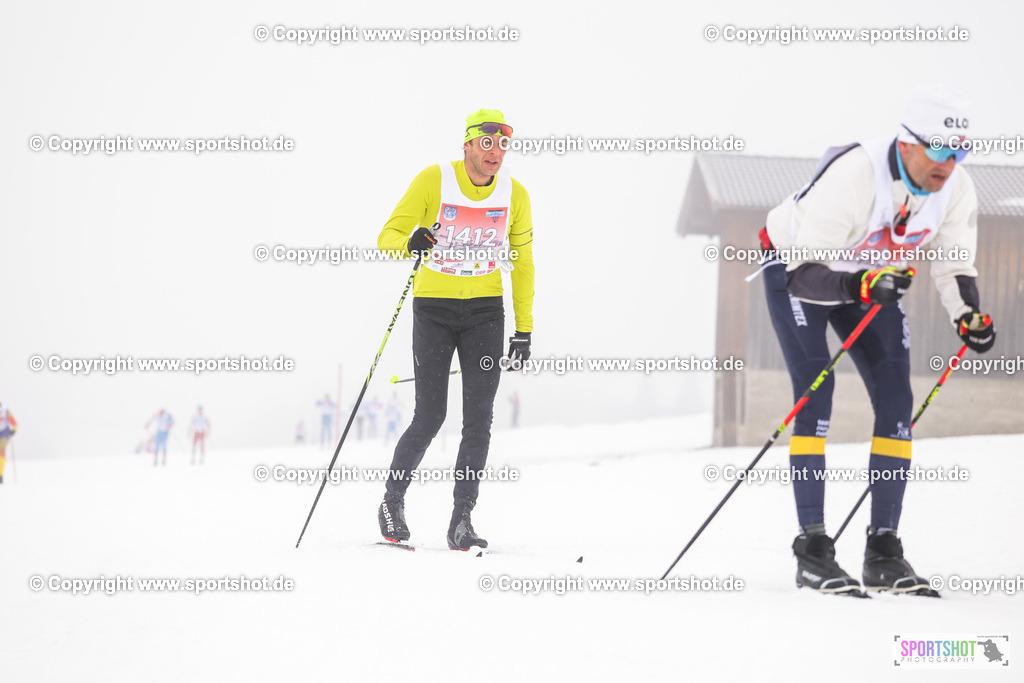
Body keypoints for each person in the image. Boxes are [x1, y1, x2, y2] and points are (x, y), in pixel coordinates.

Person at [761, 85, 995, 596]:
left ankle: (883, 551)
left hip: (867, 276)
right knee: (816, 392)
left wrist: (967, 317)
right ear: (907, 143)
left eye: (960, 151)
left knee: (896, 397)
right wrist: (861, 284)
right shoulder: (855, 177)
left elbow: (955, 263)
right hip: (801, 268)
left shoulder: (956, 188)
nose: (949, 164)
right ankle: (813, 550)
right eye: (938, 149)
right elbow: (803, 274)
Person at [376, 108, 535, 549]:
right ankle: (392, 500)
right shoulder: (434, 180)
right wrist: (410, 241)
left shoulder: (514, 195)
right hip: (434, 311)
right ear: (466, 144)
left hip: (486, 312)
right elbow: (387, 236)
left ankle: (461, 519)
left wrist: (524, 329)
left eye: (503, 144)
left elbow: (523, 263)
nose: (495, 152)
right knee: (430, 416)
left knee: (478, 420)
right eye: (486, 142)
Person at [0, 402, 19, 484]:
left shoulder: (5, 411)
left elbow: (13, 422)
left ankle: (0, 474)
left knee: (1, 451)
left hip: (4, 433)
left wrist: (14, 429)